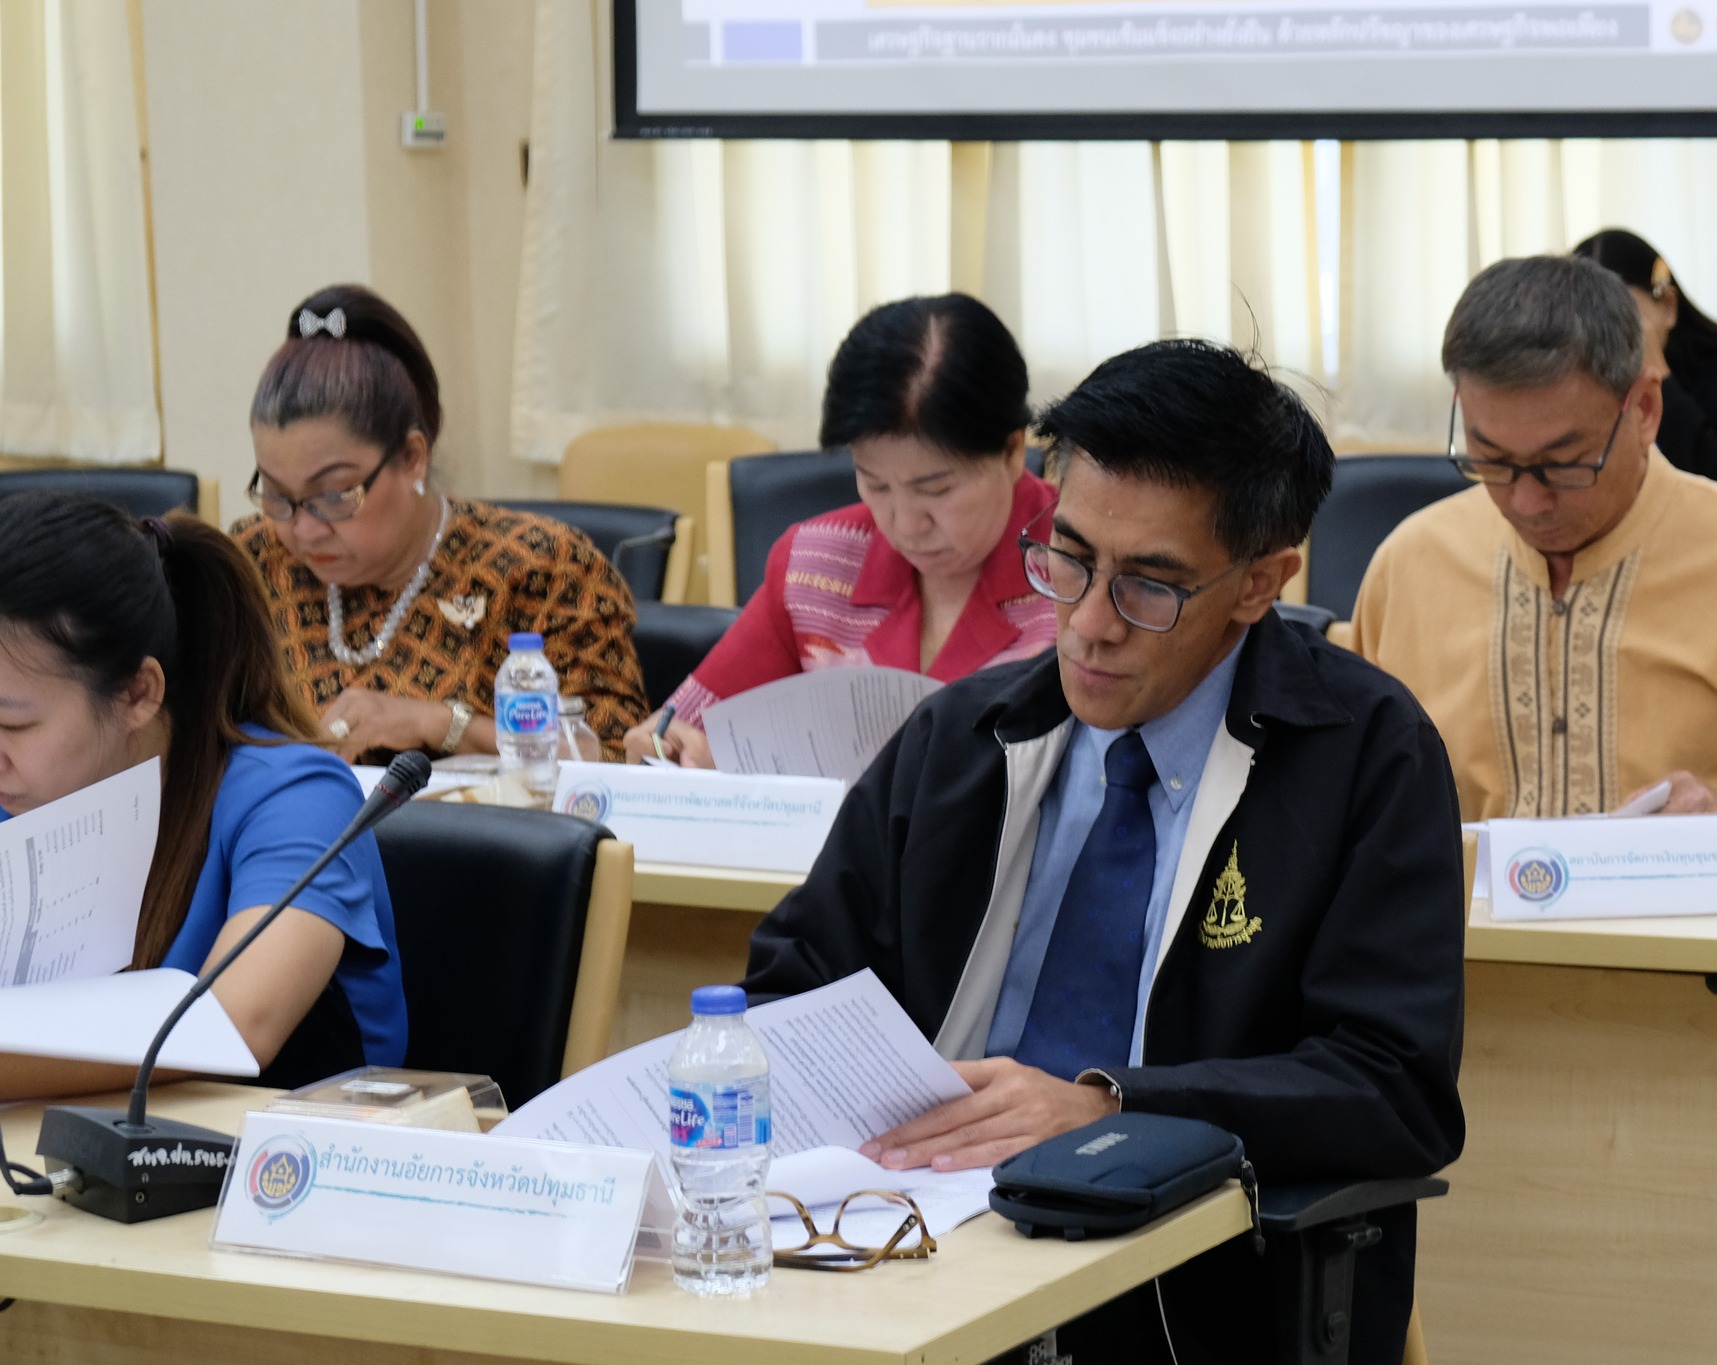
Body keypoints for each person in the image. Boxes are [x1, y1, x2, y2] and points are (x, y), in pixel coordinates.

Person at [746, 340, 1467, 1363]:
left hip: (1185, 1299)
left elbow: (1391, 1087)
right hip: (911, 1261)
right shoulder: (963, 739)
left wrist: (1110, 1109)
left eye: (1148, 587)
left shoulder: (1364, 757)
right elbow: (792, 989)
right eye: (1069, 558)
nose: (1087, 624)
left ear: (1261, 581)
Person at [1353, 254, 1717, 849]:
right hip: (1460, 913)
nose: (1527, 501)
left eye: (1564, 463)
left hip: (1683, 911)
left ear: (1644, 409)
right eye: (1492, 459)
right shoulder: (1409, 566)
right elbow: (1343, 803)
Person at [0, 493, 405, 1099]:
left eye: (12, 725)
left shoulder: (296, 799)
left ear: (139, 693)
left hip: (286, 1151)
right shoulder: (23, 794)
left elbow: (238, 1023)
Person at [624, 294, 1056, 766]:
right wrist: (671, 752)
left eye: (936, 489)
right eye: (876, 485)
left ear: (1013, 451)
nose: (905, 525)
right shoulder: (815, 568)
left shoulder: (1081, 570)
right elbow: (685, 728)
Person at [235, 284, 644, 765]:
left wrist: (440, 725)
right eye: (278, 496)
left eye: (334, 495)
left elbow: (620, 758)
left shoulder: (539, 569)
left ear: (412, 457)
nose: (303, 530)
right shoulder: (252, 563)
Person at [1574, 228, 1717, 512]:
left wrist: (1657, 375)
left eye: (1621, 316)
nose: (1603, 337)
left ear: (1668, 306)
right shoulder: (1578, 378)